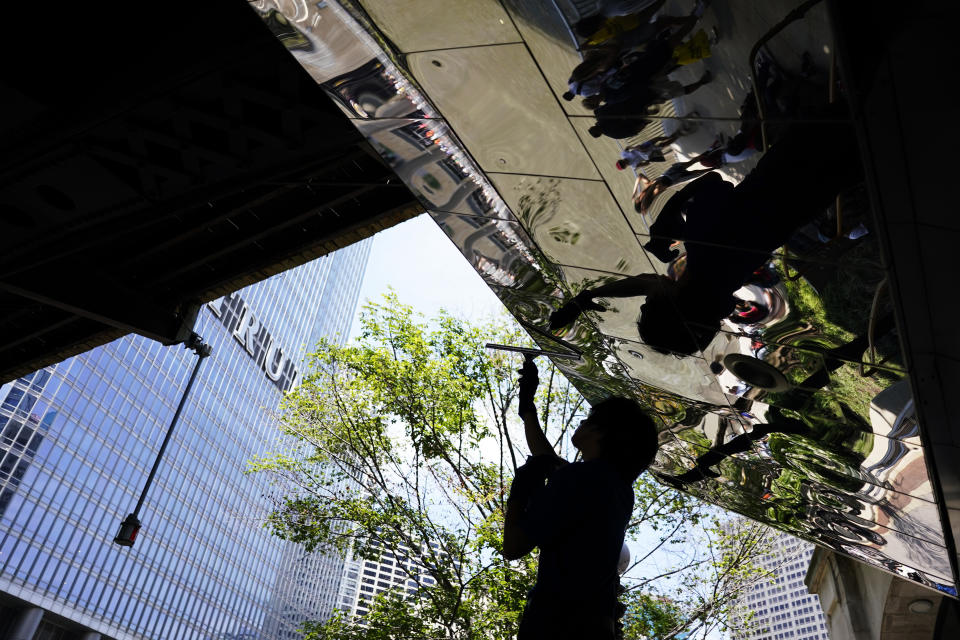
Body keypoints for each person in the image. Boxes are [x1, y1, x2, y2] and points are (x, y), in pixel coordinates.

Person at [551, 103, 863, 355]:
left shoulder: (718, 287)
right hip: (803, 150)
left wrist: (588, 296)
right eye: (648, 307)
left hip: (825, 183)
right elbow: (714, 181)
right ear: (671, 302)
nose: (645, 300)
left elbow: (652, 286)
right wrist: (672, 210)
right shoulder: (703, 242)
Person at [503, 356, 659, 640]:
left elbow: (513, 547)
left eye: (588, 419)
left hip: (554, 626)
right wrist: (528, 410)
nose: (582, 422)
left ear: (599, 432)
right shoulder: (618, 488)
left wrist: (521, 488)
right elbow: (550, 462)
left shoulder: (581, 479)